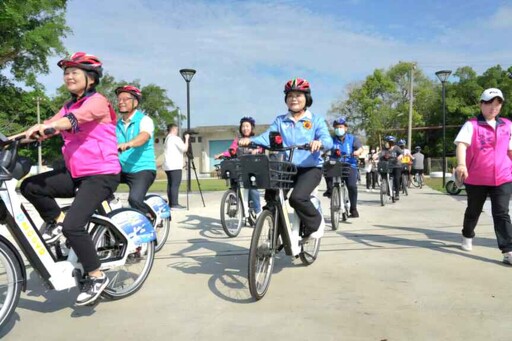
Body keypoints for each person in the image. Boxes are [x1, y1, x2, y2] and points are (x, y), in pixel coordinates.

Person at [19, 52, 120, 305]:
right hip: (76, 174)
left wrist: (51, 127)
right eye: (66, 72)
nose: (69, 76)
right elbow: (47, 124)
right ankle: (55, 218)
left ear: (91, 79)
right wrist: (16, 138)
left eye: (75, 72)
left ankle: (96, 276)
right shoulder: (68, 105)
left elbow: (71, 121)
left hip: (101, 174)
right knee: (30, 186)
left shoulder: (97, 102)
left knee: (73, 226)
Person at [239, 77, 333, 238]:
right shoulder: (280, 121)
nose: (294, 99)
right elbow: (267, 137)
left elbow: (328, 140)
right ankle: (274, 237)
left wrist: (319, 143)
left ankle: (315, 222)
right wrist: (251, 141)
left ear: (307, 98)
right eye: (290, 96)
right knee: (272, 199)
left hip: (310, 168)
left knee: (297, 198)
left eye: (298, 95)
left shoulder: (316, 120)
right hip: (287, 168)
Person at [454, 88, 512, 263]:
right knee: (474, 210)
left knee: (501, 213)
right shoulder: (471, 125)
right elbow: (462, 145)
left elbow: (510, 150)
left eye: (497, 104)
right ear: (481, 104)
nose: (493, 108)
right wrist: (462, 164)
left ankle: (508, 250)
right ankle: (467, 234)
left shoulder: (508, 125)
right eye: (489, 104)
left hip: (503, 177)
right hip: (477, 177)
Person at [115, 85, 156, 218]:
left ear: (135, 102)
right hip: (122, 168)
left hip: (142, 169)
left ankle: (150, 216)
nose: (121, 102)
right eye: (119, 99)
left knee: (134, 200)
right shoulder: (117, 125)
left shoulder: (145, 120)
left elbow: (144, 136)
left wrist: (129, 144)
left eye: (125, 99)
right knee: (99, 187)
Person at [214, 116, 262, 215]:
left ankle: (258, 212)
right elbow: (232, 150)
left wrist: (255, 150)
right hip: (240, 167)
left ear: (251, 127)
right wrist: (222, 154)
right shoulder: (237, 140)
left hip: (253, 168)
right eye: (243, 126)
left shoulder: (256, 139)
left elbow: (260, 149)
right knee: (234, 181)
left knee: (253, 189)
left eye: (247, 126)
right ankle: (234, 201)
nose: (245, 128)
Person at [323, 117, 363, 218]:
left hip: (349, 165)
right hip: (335, 164)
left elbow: (360, 148)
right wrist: (322, 153)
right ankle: (330, 190)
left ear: (345, 128)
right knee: (325, 167)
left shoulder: (352, 138)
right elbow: (325, 148)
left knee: (352, 186)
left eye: (340, 127)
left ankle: (353, 208)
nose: (338, 129)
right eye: (336, 127)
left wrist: (357, 152)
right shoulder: (331, 139)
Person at [163, 124, 189, 210]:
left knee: (170, 184)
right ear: (174, 129)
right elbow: (184, 148)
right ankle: (174, 204)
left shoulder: (167, 138)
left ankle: (171, 203)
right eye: (177, 130)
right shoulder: (175, 138)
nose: (177, 131)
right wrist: (187, 139)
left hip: (167, 165)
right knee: (175, 184)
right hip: (175, 165)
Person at [379, 135, 403, 200]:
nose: (389, 143)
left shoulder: (397, 148)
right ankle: (386, 189)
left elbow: (401, 154)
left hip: (396, 166)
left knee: (396, 179)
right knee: (385, 177)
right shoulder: (385, 149)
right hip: (388, 166)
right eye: (388, 142)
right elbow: (381, 155)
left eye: (391, 142)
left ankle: (397, 194)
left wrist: (398, 158)